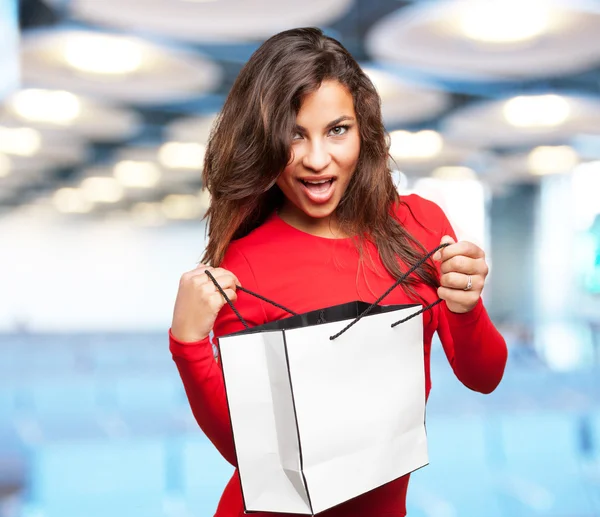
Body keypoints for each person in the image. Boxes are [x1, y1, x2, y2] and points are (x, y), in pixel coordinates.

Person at [169, 27, 507, 517]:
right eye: (293, 133)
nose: (316, 159)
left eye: (337, 129)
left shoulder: (420, 225)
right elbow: (247, 456)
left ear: (363, 130)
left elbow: (485, 376)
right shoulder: (242, 265)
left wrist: (467, 307)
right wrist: (188, 343)